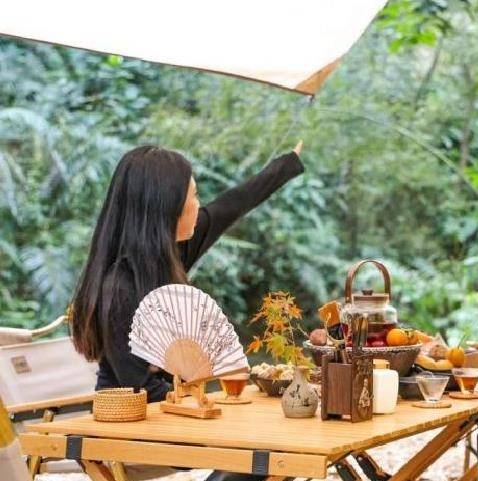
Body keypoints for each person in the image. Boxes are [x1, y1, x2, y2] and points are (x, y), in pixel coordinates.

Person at [70, 142, 304, 481]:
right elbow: (140, 387)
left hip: (177, 414)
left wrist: (287, 163)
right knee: (270, 453)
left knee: (284, 446)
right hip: (131, 428)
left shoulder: (171, 254)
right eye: (193, 196)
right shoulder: (119, 288)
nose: (199, 205)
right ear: (168, 208)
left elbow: (231, 205)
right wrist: (211, 410)